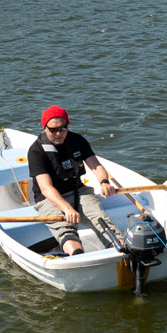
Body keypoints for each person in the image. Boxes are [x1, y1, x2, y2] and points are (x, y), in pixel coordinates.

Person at [27, 106, 119, 256]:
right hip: (48, 199)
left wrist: (104, 182)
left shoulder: (77, 140)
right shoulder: (36, 151)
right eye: (53, 130)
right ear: (45, 128)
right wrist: (67, 208)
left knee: (100, 218)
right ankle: (77, 255)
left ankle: (119, 248)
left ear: (67, 125)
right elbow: (46, 188)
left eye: (62, 129)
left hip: (78, 191)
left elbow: (96, 166)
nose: (58, 134)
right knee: (65, 229)